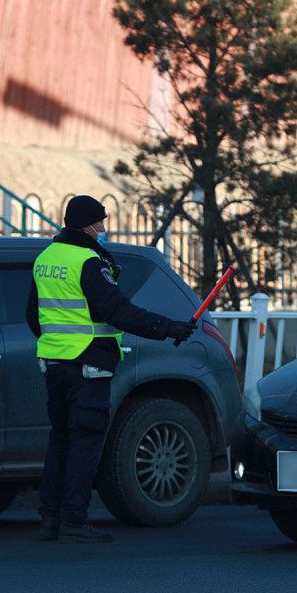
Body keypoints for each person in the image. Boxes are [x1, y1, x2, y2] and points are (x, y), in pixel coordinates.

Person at [26, 195, 196, 543]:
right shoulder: (89, 261)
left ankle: (51, 520)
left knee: (60, 440)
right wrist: (167, 328)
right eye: (100, 223)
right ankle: (74, 519)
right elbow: (117, 312)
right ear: (88, 225)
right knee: (84, 443)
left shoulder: (46, 258)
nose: (103, 229)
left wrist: (58, 344)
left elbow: (33, 316)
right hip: (88, 366)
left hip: (54, 365)